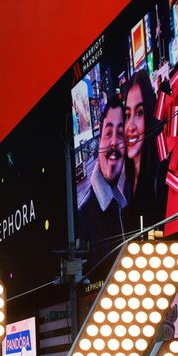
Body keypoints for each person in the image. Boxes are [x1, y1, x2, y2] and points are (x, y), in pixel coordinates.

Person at [77, 100, 131, 261]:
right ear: (100, 142)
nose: (114, 142)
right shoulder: (83, 218)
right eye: (108, 134)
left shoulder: (127, 201)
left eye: (120, 134)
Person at [121, 71, 166, 225]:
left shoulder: (163, 179)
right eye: (127, 115)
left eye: (139, 113)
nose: (131, 127)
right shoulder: (127, 183)